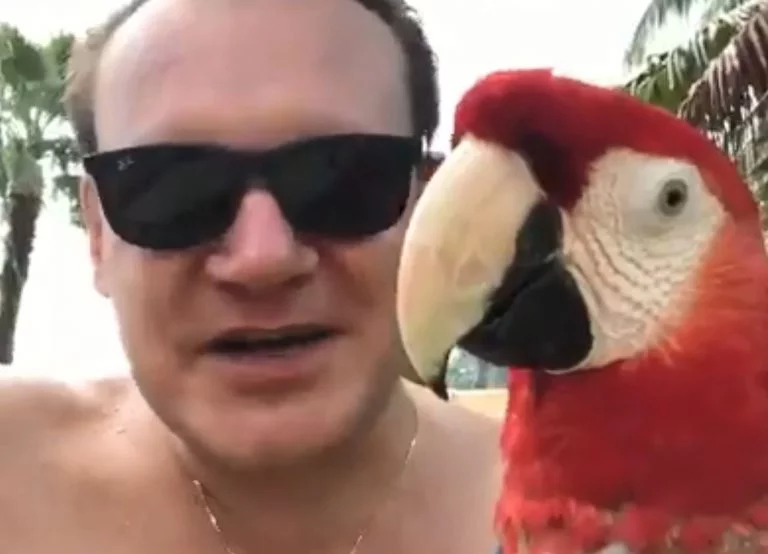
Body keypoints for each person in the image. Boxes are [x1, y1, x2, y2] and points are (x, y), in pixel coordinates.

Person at [0, 0, 503, 552]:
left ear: (430, 210)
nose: (262, 260)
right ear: (98, 235)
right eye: (173, 187)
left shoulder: (567, 518)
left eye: (339, 178)